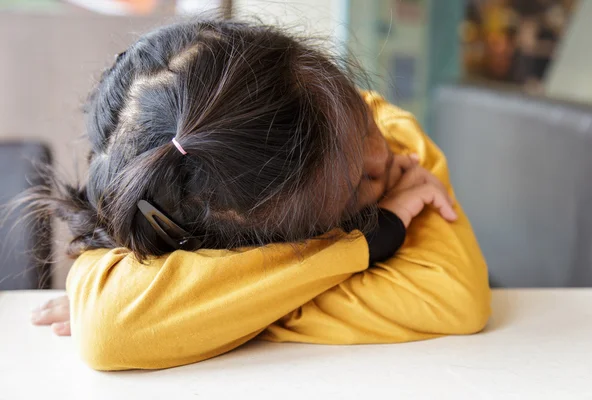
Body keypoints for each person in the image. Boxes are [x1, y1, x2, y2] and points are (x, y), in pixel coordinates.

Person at [29, 19, 490, 371]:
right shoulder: (188, 215)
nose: (388, 157)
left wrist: (211, 314)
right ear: (259, 244)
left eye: (354, 106)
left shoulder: (386, 130)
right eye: (358, 185)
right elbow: (110, 331)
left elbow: (455, 297)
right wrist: (374, 238)